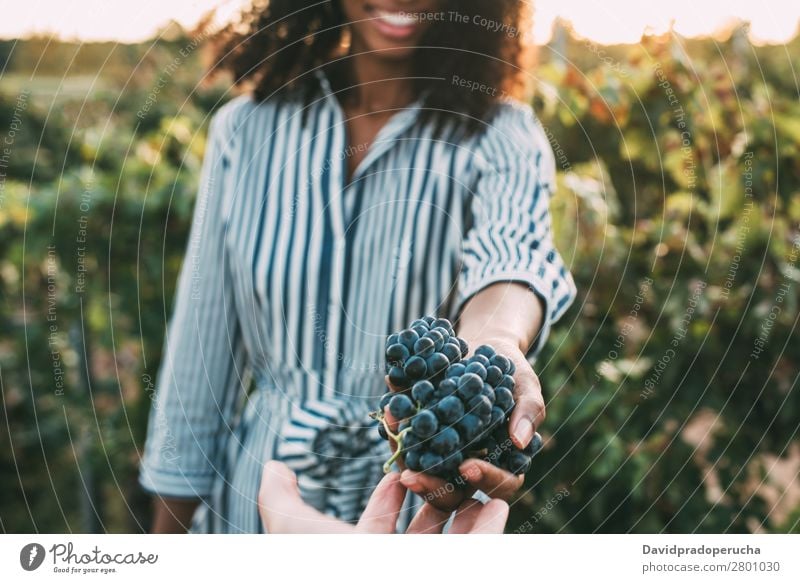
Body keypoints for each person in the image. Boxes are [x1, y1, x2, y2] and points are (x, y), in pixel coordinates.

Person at [139, 0, 576, 534]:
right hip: (250, 506)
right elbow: (198, 365)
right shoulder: (246, 131)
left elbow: (512, 254)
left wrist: (500, 341)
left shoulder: (501, 135)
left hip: (412, 501)